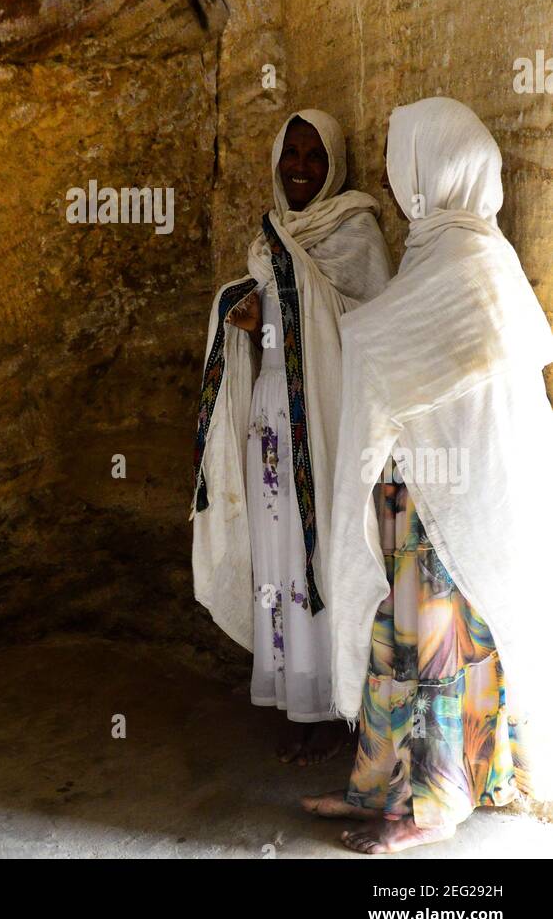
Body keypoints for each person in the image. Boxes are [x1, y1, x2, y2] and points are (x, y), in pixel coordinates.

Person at [305, 96, 553, 851]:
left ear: (431, 169)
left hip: (457, 505)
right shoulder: (438, 254)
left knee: (441, 648)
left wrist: (367, 337)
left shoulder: (474, 259)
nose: (393, 168)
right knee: (395, 643)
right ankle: (378, 783)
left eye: (401, 155)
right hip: (416, 497)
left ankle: (432, 809)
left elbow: (397, 345)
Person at [192, 110, 392, 763]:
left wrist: (275, 313)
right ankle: (297, 697)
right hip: (272, 424)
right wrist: (244, 311)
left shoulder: (355, 231)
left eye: (313, 155)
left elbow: (368, 328)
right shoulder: (271, 235)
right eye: (291, 154)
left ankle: (337, 705)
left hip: (328, 424)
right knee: (278, 565)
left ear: (332, 163)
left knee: (324, 559)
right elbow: (272, 309)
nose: (300, 167)